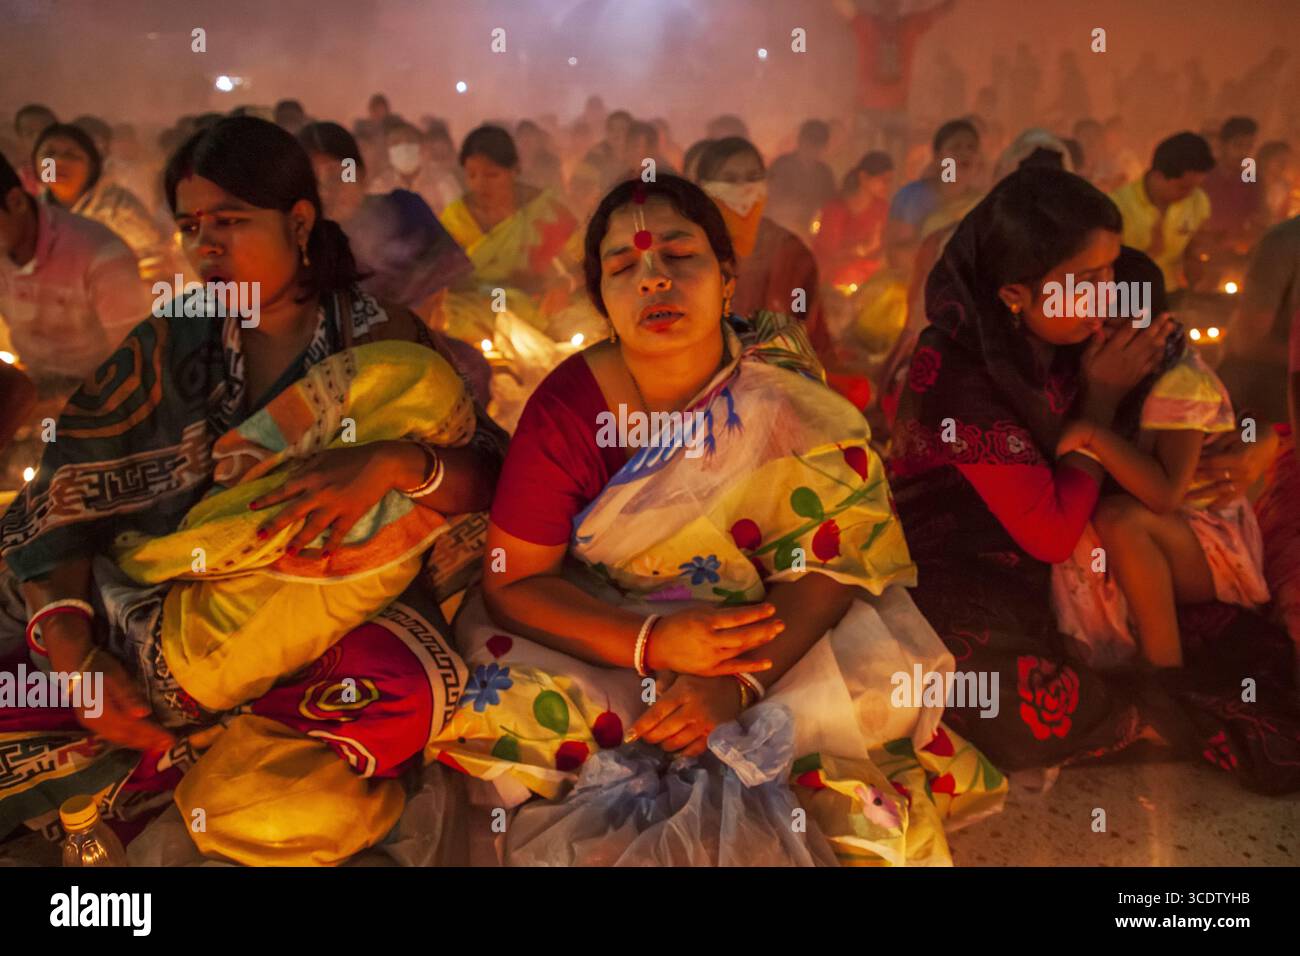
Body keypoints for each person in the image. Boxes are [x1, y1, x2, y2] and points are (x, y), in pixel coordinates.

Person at [428, 175, 1005, 865]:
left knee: (853, 713)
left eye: (680, 256)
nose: (654, 280)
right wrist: (655, 644)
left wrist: (735, 684)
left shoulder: (777, 385)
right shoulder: (570, 409)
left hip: (767, 628)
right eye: (624, 267)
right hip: (611, 630)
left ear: (727, 278)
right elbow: (514, 583)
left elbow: (835, 561)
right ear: (603, 298)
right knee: (509, 698)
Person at [0, 116, 505, 862]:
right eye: (190, 226)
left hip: (331, 626)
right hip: (149, 611)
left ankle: (199, 751)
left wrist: (395, 465)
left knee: (390, 701)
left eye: (230, 222)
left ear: (299, 221)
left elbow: (492, 479)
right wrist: (78, 663)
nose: (206, 246)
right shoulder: (172, 343)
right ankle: (183, 738)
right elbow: (66, 504)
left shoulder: (378, 340)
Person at [888, 166, 1300, 792]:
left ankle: (1141, 683)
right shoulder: (957, 369)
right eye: (1085, 280)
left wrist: (1254, 442)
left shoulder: (1084, 336)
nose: (1108, 295)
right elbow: (1050, 534)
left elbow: (1192, 398)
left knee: (1237, 646)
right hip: (969, 562)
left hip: (1084, 560)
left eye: (1111, 271)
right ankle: (1151, 719)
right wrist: (1099, 408)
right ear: (1012, 294)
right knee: (975, 687)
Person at [1052, 249, 1269, 670]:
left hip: (1209, 551)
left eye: (1115, 327)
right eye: (1092, 322)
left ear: (1157, 326)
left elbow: (1166, 494)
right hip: (1166, 533)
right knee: (1079, 522)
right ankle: (1098, 649)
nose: (1098, 336)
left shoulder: (1181, 384)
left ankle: (1164, 670)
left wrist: (1095, 435)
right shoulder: (1088, 363)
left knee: (1120, 518)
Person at [0, 150, 150, 402]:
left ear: (16, 202)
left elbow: (135, 364)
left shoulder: (100, 255)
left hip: (100, 398)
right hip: (33, 387)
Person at [438, 124, 581, 342]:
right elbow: (437, 278)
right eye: (472, 175)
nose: (480, 185)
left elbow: (587, 262)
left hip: (537, 307)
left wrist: (565, 283)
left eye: (492, 175)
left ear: (514, 170)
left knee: (585, 319)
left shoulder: (543, 211)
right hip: (475, 310)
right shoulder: (456, 218)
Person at [694, 137, 826, 354]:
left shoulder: (792, 253)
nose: (744, 189)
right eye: (730, 179)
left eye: (753, 178)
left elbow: (805, 323)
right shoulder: (688, 250)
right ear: (703, 187)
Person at [32, 123, 177, 280]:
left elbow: (154, 262)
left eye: (71, 156)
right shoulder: (31, 213)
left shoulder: (119, 209)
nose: (57, 162)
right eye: (48, 154)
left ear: (92, 166)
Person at [1109, 131, 1215, 292]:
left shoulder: (1198, 200)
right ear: (1158, 175)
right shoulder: (1118, 205)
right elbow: (1107, 270)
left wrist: (1194, 257)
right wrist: (1150, 254)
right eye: (1183, 187)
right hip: (1125, 295)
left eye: (1195, 187)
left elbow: (1195, 245)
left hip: (1172, 292)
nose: (1189, 194)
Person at [884, 118, 983, 264]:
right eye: (956, 147)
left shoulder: (982, 202)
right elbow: (897, 255)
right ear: (938, 158)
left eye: (971, 148)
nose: (964, 153)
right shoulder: (912, 196)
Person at [812, 150, 893, 288]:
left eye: (889, 181)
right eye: (883, 180)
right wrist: (862, 250)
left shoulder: (882, 208)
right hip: (834, 281)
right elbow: (827, 254)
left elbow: (884, 248)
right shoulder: (835, 209)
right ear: (863, 178)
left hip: (869, 281)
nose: (887, 186)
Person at [1200, 117, 1269, 255]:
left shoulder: (1251, 179)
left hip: (1234, 254)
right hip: (1199, 250)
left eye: (1249, 146)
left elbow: (1259, 217)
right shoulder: (1202, 174)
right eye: (1238, 145)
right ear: (1222, 145)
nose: (1244, 153)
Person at [366, 120, 460, 216]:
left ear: (421, 146)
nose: (404, 148)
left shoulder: (443, 180)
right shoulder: (380, 185)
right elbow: (373, 222)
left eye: (410, 141)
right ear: (388, 151)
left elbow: (458, 220)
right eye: (396, 143)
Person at [767, 120, 838, 238]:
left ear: (823, 147)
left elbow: (829, 202)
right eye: (810, 142)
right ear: (800, 141)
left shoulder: (824, 173)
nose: (813, 149)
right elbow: (772, 199)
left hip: (812, 230)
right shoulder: (781, 165)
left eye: (818, 144)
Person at [12, 104, 56, 196]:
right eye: (30, 133)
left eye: (44, 131)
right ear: (21, 140)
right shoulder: (19, 180)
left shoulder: (75, 169)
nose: (38, 138)